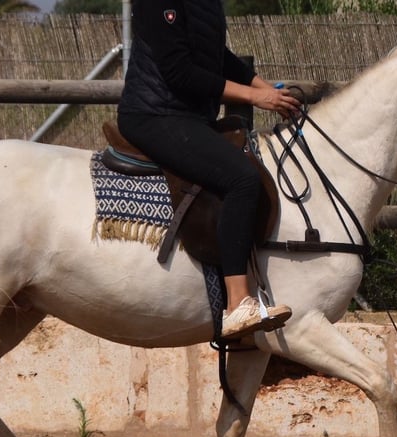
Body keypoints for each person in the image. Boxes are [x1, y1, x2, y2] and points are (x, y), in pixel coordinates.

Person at [117, 0, 300, 340]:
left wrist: (268, 90)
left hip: (187, 117)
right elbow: (179, 71)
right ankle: (237, 304)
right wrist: (253, 97)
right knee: (242, 179)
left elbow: (218, 58)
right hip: (154, 116)